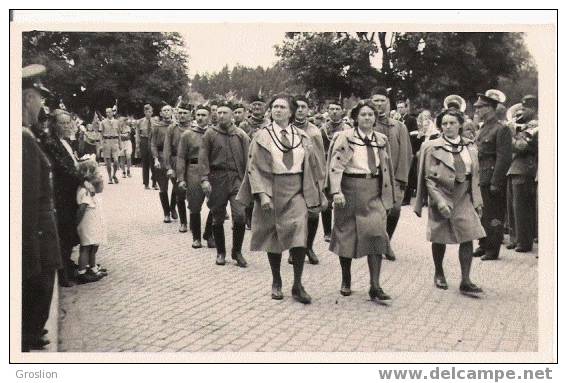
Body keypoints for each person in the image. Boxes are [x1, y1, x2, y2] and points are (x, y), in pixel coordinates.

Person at [237, 93, 326, 303]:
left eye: (283, 107)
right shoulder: (262, 136)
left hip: (297, 189)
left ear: (292, 112)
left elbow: (314, 167)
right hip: (272, 187)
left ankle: (297, 283)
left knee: (299, 233)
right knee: (274, 236)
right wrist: (262, 195)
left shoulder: (303, 137)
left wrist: (318, 192)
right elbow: (254, 168)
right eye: (275, 107)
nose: (278, 110)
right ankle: (276, 281)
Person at [326, 100, 395, 301]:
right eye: (363, 115)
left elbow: (386, 169)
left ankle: (375, 285)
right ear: (356, 117)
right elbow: (335, 166)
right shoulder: (344, 138)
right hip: (349, 189)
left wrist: (389, 195)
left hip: (373, 190)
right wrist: (336, 191)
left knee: (377, 234)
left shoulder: (381, 139)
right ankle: (346, 279)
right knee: (346, 235)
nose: (367, 118)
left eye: (371, 115)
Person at [414, 109, 485, 295]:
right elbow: (428, 178)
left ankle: (466, 279)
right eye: (444, 123)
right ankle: (439, 273)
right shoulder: (431, 146)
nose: (448, 127)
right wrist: (438, 201)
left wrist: (477, 200)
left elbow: (475, 175)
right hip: (442, 193)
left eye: (452, 123)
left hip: (464, 195)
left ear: (460, 124)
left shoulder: (470, 146)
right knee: (440, 235)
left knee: (468, 235)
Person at [21, 64, 62, 351]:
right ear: (27, 99)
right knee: (36, 295)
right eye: (40, 97)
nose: (42, 104)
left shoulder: (28, 136)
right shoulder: (22, 139)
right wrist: (31, 256)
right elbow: (26, 203)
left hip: (41, 236)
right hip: (38, 239)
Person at [199, 101, 250, 267]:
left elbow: (249, 159)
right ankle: (221, 252)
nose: (220, 115)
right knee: (217, 216)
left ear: (232, 115)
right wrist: (205, 179)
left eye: (224, 113)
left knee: (240, 215)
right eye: (218, 112)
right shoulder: (210, 134)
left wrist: (247, 182)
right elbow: (203, 157)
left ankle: (237, 252)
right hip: (217, 178)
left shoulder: (241, 135)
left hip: (236, 179)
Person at [42, 109, 89, 288]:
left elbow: (72, 163)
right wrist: (84, 180)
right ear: (54, 124)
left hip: (71, 192)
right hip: (62, 194)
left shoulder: (65, 141)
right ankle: (63, 275)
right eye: (63, 123)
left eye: (69, 122)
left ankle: (68, 265)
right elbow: (63, 169)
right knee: (65, 233)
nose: (67, 126)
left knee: (70, 232)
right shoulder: (51, 142)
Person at [370, 87, 413, 261]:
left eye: (382, 100)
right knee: (374, 213)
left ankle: (386, 242)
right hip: (372, 177)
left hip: (394, 178)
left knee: (394, 211)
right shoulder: (366, 124)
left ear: (388, 103)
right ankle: (376, 244)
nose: (379, 104)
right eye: (375, 100)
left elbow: (406, 153)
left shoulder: (399, 126)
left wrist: (401, 178)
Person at [286, 94, 326, 265]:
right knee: (293, 216)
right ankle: (293, 249)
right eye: (297, 107)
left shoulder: (315, 132)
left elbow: (320, 160)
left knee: (312, 215)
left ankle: (308, 246)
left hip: (310, 178)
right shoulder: (286, 129)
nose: (300, 110)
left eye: (304, 107)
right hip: (292, 177)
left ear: (308, 110)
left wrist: (321, 183)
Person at [472, 91, 512, 261]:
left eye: (480, 107)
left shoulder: (501, 129)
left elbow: (504, 157)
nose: (477, 110)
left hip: (492, 176)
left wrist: (497, 181)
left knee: (494, 214)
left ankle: (492, 249)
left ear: (490, 108)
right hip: (481, 175)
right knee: (483, 213)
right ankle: (483, 244)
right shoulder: (483, 128)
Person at [177, 104, 216, 248]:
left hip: (211, 171)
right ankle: (196, 237)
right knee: (194, 205)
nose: (200, 118)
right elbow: (181, 157)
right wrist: (181, 178)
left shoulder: (214, 133)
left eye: (204, 115)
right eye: (198, 115)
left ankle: (209, 233)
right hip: (193, 170)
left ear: (210, 117)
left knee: (216, 204)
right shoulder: (188, 134)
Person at [506, 95, 538, 253]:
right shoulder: (524, 125)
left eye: (525, 109)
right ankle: (516, 238)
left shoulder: (535, 126)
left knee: (521, 208)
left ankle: (524, 242)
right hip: (515, 168)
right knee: (512, 207)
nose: (521, 111)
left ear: (534, 109)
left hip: (525, 169)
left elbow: (521, 147)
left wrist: (511, 134)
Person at [320, 100, 350, 242]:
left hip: (341, 166)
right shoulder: (322, 129)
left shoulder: (347, 128)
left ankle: (339, 229)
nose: (334, 112)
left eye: (337, 109)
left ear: (342, 111)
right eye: (331, 109)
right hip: (326, 165)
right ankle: (327, 232)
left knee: (341, 198)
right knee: (326, 200)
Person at [75, 158, 108, 284]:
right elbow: (82, 209)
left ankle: (92, 268)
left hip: (92, 223)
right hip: (87, 224)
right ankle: (82, 271)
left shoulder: (89, 189)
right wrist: (77, 222)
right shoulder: (85, 191)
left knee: (93, 245)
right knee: (86, 247)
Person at [164, 101, 193, 232]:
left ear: (190, 115)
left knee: (193, 193)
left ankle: (194, 220)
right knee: (180, 193)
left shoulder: (194, 128)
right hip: (176, 162)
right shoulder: (172, 128)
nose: (181, 115)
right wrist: (169, 166)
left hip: (192, 163)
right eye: (180, 113)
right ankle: (183, 222)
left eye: (185, 113)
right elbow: (167, 148)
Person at [151, 104, 178, 222]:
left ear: (172, 112)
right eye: (164, 111)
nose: (166, 112)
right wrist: (155, 158)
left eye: (168, 110)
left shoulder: (176, 126)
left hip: (173, 157)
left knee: (177, 185)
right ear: (161, 113)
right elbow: (153, 144)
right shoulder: (157, 126)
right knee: (163, 187)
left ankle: (173, 207)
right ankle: (166, 213)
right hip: (161, 157)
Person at [397, 100, 419, 206]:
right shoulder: (396, 119)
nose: (400, 109)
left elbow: (414, 135)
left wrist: (411, 150)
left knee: (410, 175)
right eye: (398, 107)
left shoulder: (411, 119)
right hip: (399, 150)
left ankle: (407, 198)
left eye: (402, 107)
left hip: (409, 149)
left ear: (406, 108)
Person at [135, 104, 158, 190]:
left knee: (154, 163)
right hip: (144, 141)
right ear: (144, 112)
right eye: (146, 112)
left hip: (152, 141)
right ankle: (146, 183)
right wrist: (137, 145)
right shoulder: (140, 121)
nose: (148, 113)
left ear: (152, 112)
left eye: (150, 112)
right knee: (145, 163)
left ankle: (155, 182)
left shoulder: (155, 121)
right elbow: (137, 134)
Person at [98, 107, 122, 184]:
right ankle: (109, 178)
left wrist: (120, 143)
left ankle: (114, 175)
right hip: (106, 141)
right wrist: (101, 144)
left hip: (115, 141)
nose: (108, 113)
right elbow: (100, 134)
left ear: (112, 113)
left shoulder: (117, 122)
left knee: (116, 160)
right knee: (108, 162)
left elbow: (119, 134)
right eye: (106, 112)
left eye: (109, 112)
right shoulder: (103, 122)